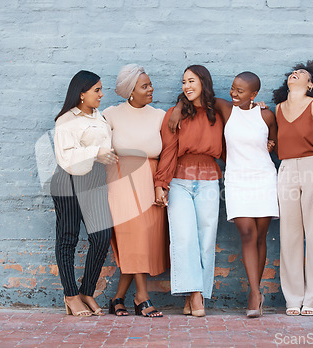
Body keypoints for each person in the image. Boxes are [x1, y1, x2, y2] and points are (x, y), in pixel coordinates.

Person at [167, 73, 277, 318]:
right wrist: (176, 109)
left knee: (260, 236)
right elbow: (196, 98)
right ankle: (256, 292)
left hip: (264, 179)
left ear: (254, 94)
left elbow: (274, 143)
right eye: (233, 89)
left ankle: (254, 293)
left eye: (240, 91)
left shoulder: (267, 114)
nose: (234, 94)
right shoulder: (226, 109)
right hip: (237, 179)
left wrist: (270, 143)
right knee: (247, 233)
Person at [154, 65, 224, 317]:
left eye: (191, 80)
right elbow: (169, 151)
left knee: (206, 240)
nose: (187, 86)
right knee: (184, 238)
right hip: (180, 182)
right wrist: (160, 184)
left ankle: (196, 295)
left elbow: (231, 142)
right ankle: (196, 296)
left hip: (208, 180)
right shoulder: (175, 115)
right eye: (184, 81)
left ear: (203, 82)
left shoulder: (218, 112)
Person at [272, 60, 313, 316]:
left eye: (302, 74)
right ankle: (293, 298)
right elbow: (276, 143)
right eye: (293, 72)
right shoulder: (277, 109)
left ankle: (311, 299)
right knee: (289, 236)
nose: (295, 74)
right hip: (287, 169)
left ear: (310, 84)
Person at [103, 64, 169, 318]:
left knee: (141, 241)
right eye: (145, 86)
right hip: (120, 182)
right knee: (133, 237)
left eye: (150, 84)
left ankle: (117, 298)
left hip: (150, 183)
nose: (151, 88)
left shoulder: (159, 115)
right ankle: (142, 297)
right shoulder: (110, 114)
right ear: (131, 91)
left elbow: (167, 154)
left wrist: (160, 185)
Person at [51, 70, 118, 316]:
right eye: (97, 90)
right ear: (82, 94)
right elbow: (65, 156)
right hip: (68, 180)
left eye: (101, 89)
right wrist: (96, 153)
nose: (101, 94)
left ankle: (86, 291)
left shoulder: (99, 117)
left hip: (95, 180)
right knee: (68, 238)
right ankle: (70, 295)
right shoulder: (66, 120)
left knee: (101, 237)